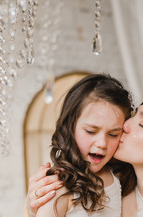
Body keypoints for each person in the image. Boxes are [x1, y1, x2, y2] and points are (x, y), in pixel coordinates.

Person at [30, 73, 133, 217]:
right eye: (91, 131)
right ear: (70, 127)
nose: (102, 143)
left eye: (113, 134)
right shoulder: (59, 187)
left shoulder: (116, 174)